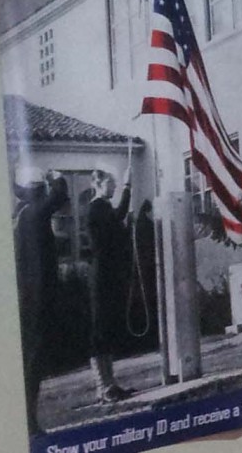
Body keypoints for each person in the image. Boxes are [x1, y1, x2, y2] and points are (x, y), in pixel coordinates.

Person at [12, 165, 69, 436]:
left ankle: (27, 419)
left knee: (29, 360)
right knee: (32, 361)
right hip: (34, 298)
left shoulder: (21, 213)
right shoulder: (33, 213)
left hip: (25, 295)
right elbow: (58, 196)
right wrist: (56, 177)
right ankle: (28, 420)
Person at [86, 166, 133, 403]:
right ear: (99, 184)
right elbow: (119, 214)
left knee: (108, 329)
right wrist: (127, 186)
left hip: (109, 275)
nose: (113, 187)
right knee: (100, 332)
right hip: (101, 276)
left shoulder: (102, 208)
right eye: (110, 183)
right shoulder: (96, 208)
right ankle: (102, 386)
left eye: (115, 184)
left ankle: (110, 383)